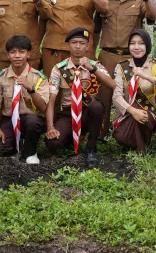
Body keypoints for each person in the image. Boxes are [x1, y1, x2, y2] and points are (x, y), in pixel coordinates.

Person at [95, 0, 156, 131]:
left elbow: (152, 17)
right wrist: (92, 54)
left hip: (129, 58)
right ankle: (101, 132)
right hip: (107, 56)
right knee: (104, 95)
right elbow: (95, 29)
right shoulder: (104, 0)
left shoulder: (139, 1)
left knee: (130, 94)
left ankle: (126, 131)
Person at [45, 27, 116, 165]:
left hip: (88, 113)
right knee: (52, 143)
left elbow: (112, 85)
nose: (78, 46)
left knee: (97, 107)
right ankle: (71, 139)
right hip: (68, 113)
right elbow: (51, 101)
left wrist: (92, 69)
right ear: (68, 45)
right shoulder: (59, 68)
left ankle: (91, 148)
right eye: (74, 42)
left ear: (88, 46)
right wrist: (50, 127)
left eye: (82, 43)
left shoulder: (95, 65)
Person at [112, 30, 156, 153]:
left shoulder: (155, 66)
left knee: (143, 117)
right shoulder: (121, 67)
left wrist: (145, 76)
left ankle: (142, 150)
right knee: (121, 136)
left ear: (147, 46)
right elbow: (116, 96)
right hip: (127, 113)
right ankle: (136, 143)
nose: (136, 47)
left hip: (148, 113)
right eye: (132, 43)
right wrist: (132, 111)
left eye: (141, 43)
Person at [0, 35, 49, 164]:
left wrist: (31, 89)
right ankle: (16, 144)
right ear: (8, 55)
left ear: (28, 54)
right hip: (8, 119)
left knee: (33, 122)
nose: (17, 56)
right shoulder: (0, 78)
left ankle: (30, 152)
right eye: (13, 52)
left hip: (30, 119)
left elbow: (43, 107)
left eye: (21, 52)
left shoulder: (39, 78)